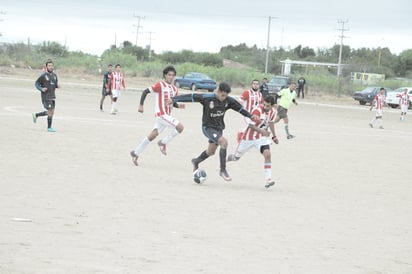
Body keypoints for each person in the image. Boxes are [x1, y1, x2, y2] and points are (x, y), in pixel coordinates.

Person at [171, 82, 258, 182]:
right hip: (208, 128)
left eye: (226, 96)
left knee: (211, 152)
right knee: (224, 142)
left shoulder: (228, 100)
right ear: (218, 91)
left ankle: (196, 161)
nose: (224, 98)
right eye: (222, 95)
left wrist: (251, 116)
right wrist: (173, 99)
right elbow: (191, 96)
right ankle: (223, 170)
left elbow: (240, 109)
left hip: (218, 128)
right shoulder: (207, 98)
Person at [130, 65, 185, 166]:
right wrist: (141, 105)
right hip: (161, 115)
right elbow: (145, 91)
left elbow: (172, 102)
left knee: (152, 136)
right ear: (165, 75)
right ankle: (163, 142)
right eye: (169, 75)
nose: (171, 77)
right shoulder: (160, 85)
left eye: (173, 75)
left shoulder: (174, 89)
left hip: (166, 116)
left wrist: (178, 105)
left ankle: (135, 153)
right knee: (180, 127)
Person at [227, 95, 278, 188]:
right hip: (248, 138)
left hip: (260, 138)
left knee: (267, 154)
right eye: (265, 105)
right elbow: (251, 126)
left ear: (273, 106)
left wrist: (274, 136)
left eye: (268, 106)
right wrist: (263, 131)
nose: (265, 107)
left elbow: (270, 123)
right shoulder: (257, 110)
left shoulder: (273, 112)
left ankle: (268, 179)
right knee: (235, 158)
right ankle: (224, 161)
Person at [32, 59, 60, 132]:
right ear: (46, 67)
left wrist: (57, 86)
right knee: (50, 111)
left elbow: (54, 84)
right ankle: (49, 128)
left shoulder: (54, 75)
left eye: (52, 65)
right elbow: (36, 83)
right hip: (46, 96)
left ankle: (36, 115)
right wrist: (41, 88)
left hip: (52, 96)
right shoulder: (43, 76)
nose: (51, 67)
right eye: (49, 66)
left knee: (51, 112)